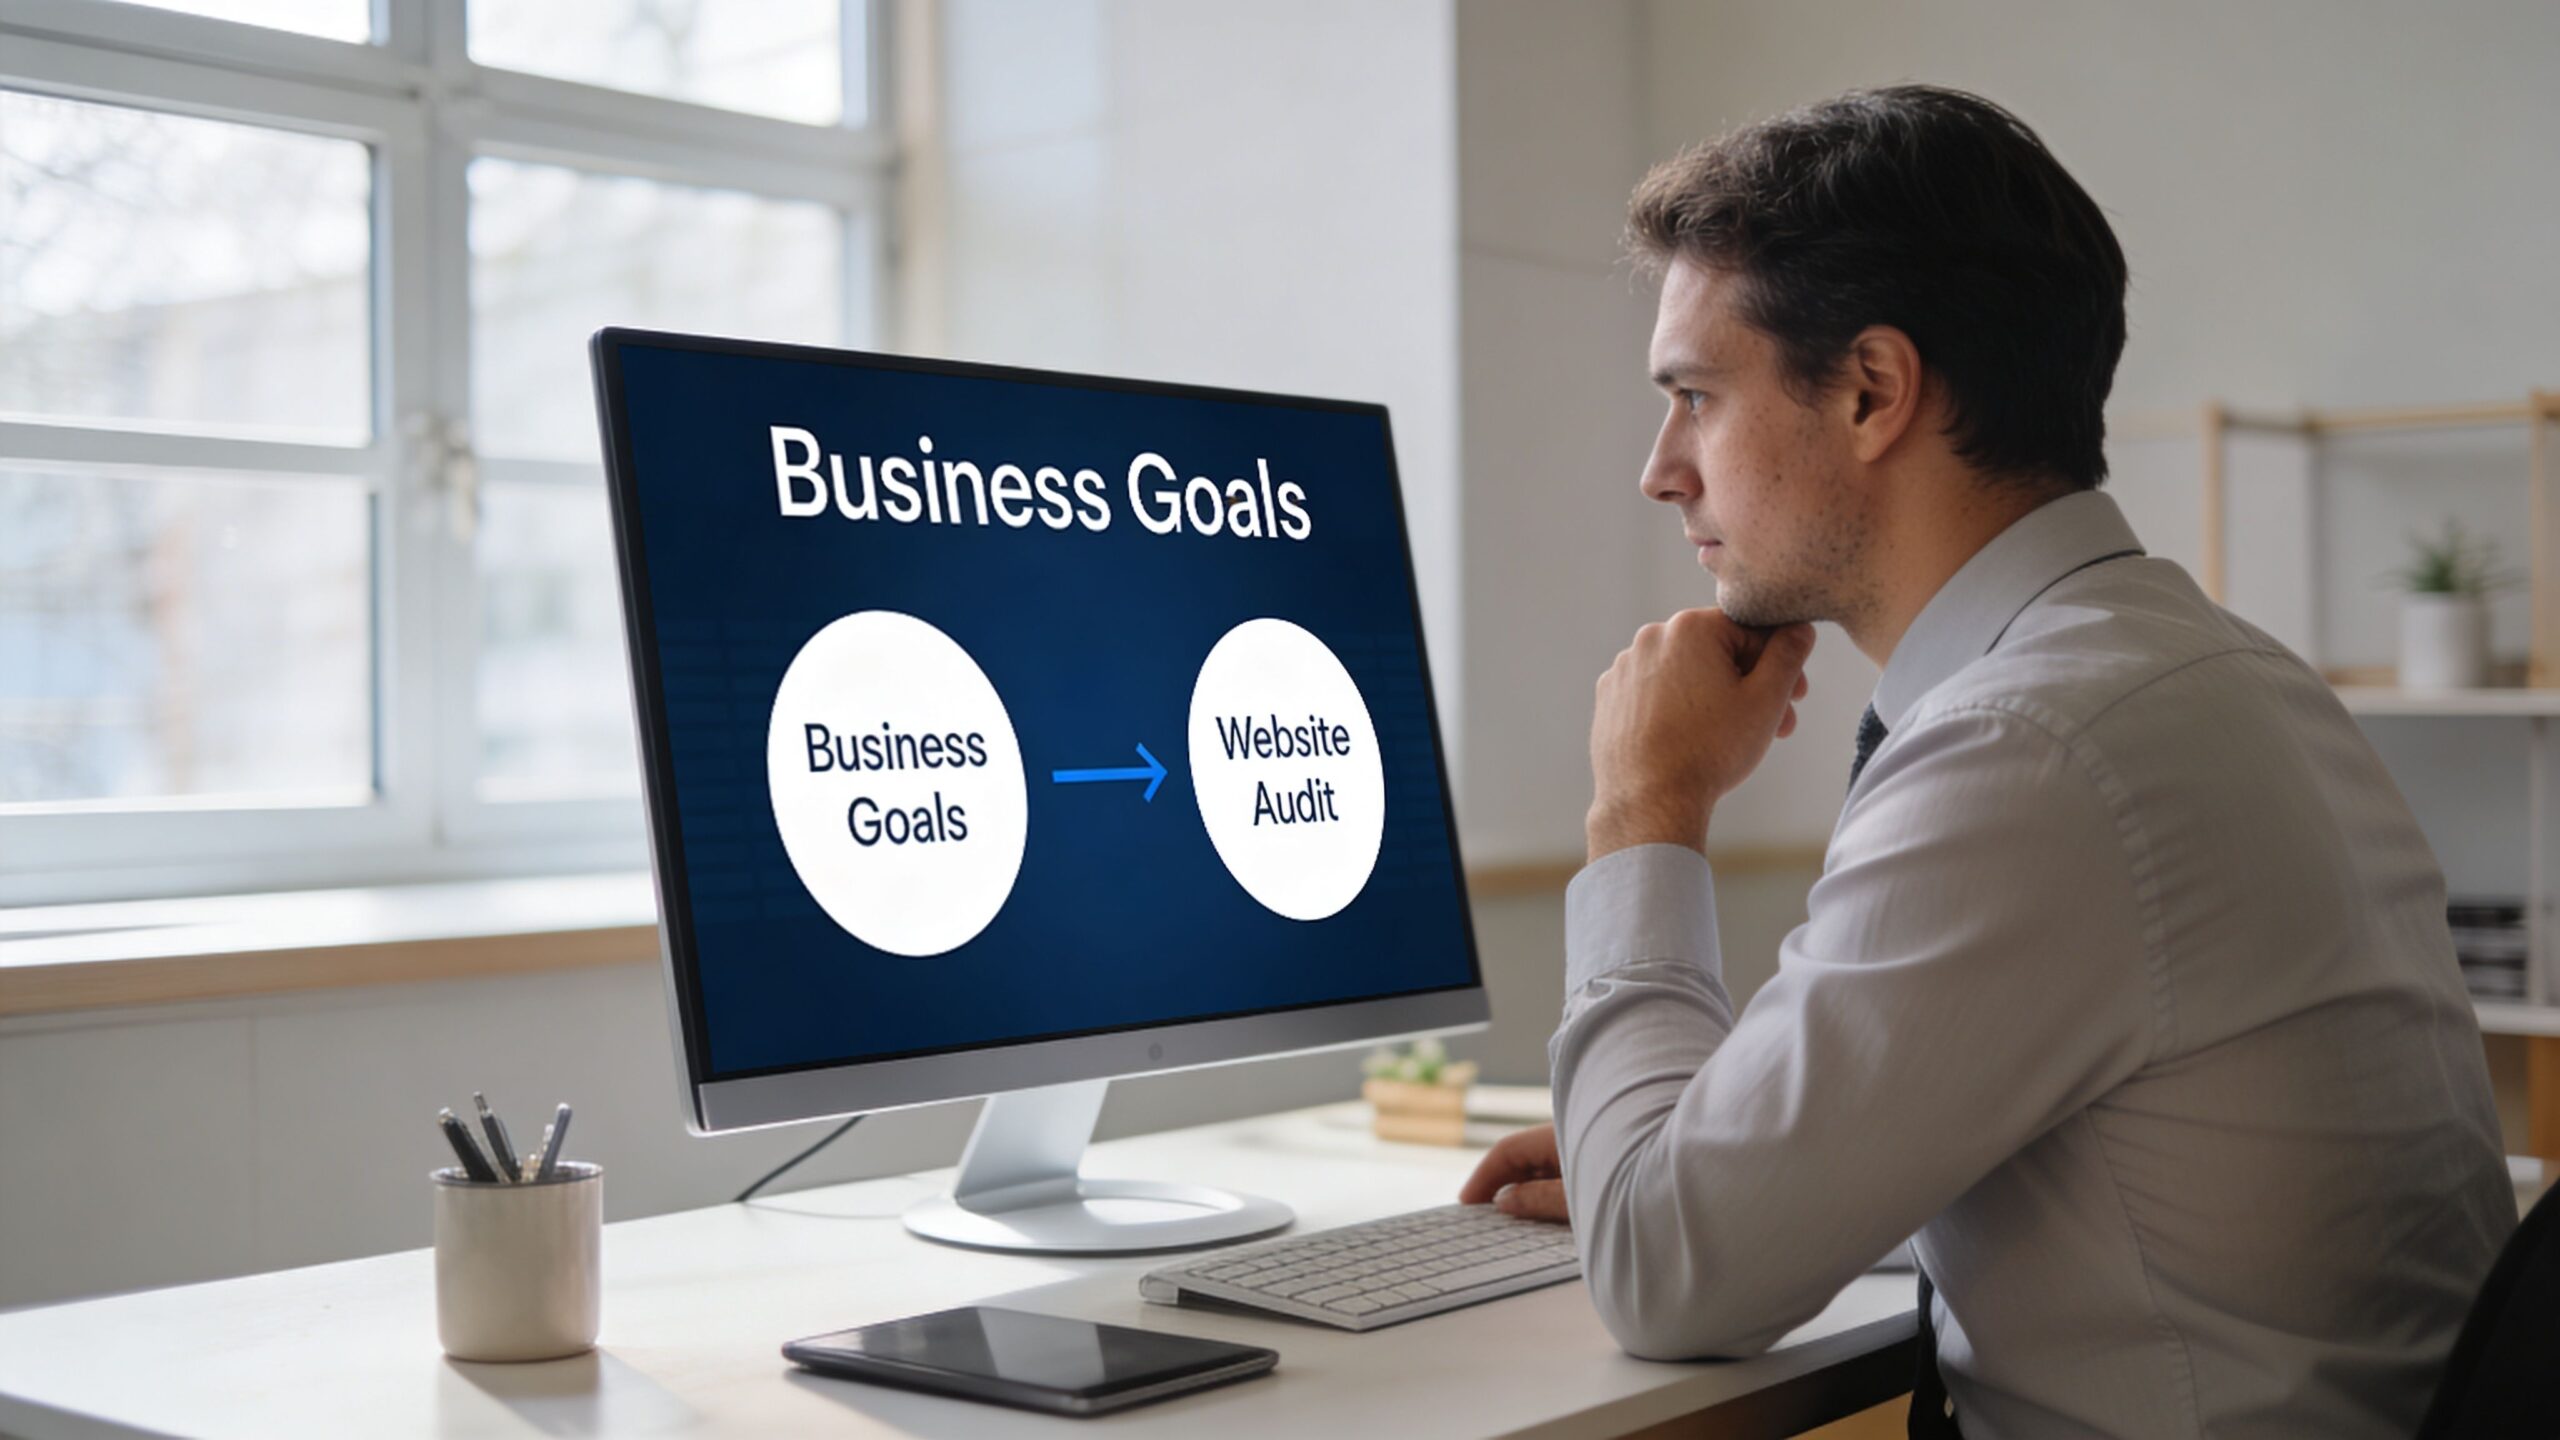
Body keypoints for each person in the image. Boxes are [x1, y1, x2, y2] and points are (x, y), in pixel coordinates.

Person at [1458, 84, 2515, 1438]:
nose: (1661, 470)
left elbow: (1672, 1278)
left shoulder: (2033, 749)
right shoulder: (2220, 679)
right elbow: (2153, 1194)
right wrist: (1715, 1154)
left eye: (1696, 399)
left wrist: (1644, 807)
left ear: (1872, 391)